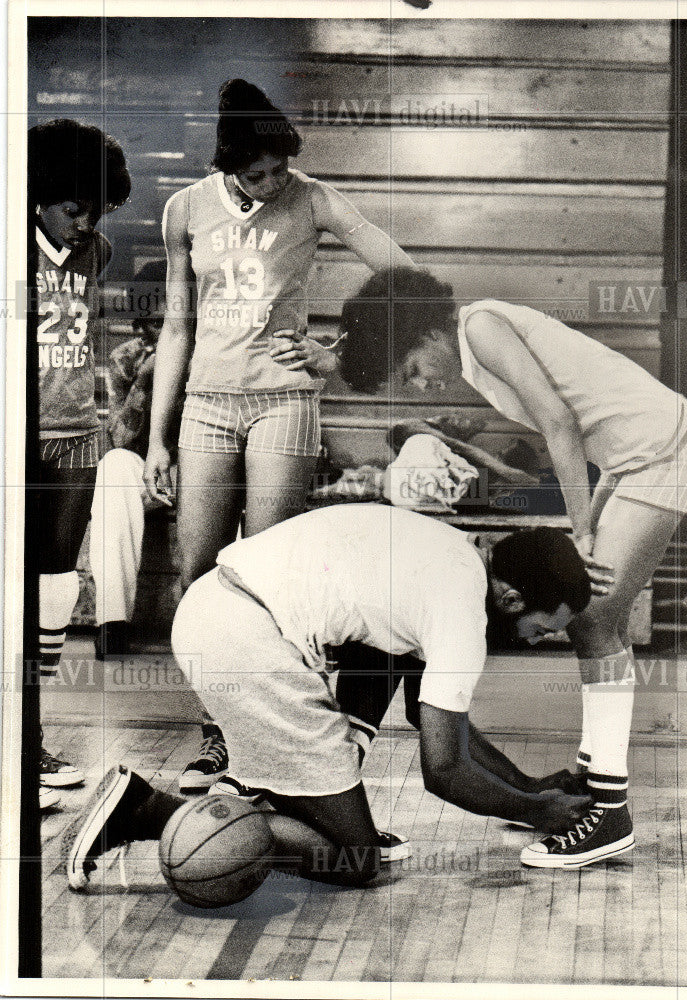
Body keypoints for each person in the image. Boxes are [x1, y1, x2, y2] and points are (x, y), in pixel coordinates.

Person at [338, 267, 687, 868]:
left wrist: (580, 529)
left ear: (426, 336)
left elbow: (560, 421)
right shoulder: (473, 340)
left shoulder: (481, 327)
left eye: (412, 371)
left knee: (592, 622)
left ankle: (608, 813)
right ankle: (595, 791)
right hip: (635, 453)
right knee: (596, 625)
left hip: (659, 449)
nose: (424, 387)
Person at [65, 504, 598, 891]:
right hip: (250, 642)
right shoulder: (462, 613)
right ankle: (145, 812)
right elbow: (444, 770)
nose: (538, 639)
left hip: (216, 608)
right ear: (511, 598)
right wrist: (538, 811)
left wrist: (527, 788)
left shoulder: (451, 549)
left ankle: (279, 795)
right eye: (541, 628)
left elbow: (426, 714)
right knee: (356, 858)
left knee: (382, 668)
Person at [142, 79, 416, 791]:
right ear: (226, 163)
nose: (270, 184)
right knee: (198, 573)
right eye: (254, 173)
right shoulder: (184, 210)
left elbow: (402, 272)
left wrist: (339, 350)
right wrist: (156, 439)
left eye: (278, 171)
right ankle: (218, 732)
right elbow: (177, 328)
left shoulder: (313, 197)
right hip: (205, 402)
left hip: (283, 404)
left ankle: (275, 738)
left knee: (268, 580)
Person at [31, 119, 131, 808]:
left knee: (57, 587)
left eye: (95, 211)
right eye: (73, 209)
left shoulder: (98, 252)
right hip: (18, 434)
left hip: (75, 435)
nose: (85, 223)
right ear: (37, 196)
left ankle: (29, 733)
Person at [90, 260, 178, 660]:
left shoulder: (211, 353)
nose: (143, 333)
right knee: (111, 470)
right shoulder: (128, 358)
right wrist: (145, 382)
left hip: (205, 471)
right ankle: (112, 621)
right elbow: (118, 440)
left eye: (154, 323)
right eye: (136, 323)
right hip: (148, 471)